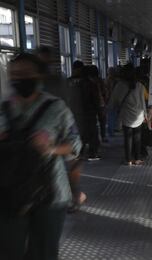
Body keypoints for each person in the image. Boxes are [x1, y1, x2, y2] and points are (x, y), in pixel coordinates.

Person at [0, 53, 81, 260]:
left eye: (26, 73)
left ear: (38, 76)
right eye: (14, 74)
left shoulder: (56, 108)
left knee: (44, 252)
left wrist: (50, 148)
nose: (19, 78)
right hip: (9, 191)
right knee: (10, 250)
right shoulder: (3, 109)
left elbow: (75, 146)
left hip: (50, 193)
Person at [36, 47, 86, 212]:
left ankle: (75, 196)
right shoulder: (35, 82)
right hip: (46, 133)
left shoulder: (58, 81)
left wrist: (76, 128)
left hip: (65, 128)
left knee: (72, 162)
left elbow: (71, 104)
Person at [111, 64, 147, 166]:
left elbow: (114, 100)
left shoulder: (120, 85)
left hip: (126, 114)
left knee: (128, 137)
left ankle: (128, 160)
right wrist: (145, 114)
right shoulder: (140, 85)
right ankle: (137, 158)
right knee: (137, 137)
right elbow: (142, 101)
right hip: (138, 115)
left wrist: (112, 108)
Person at [67, 61, 101, 161]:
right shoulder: (90, 83)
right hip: (89, 113)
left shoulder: (68, 82)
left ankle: (78, 153)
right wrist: (98, 111)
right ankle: (92, 153)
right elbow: (95, 99)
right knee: (92, 133)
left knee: (78, 133)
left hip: (74, 113)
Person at [87, 65, 109, 143]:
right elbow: (105, 92)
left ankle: (95, 139)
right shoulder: (100, 80)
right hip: (101, 104)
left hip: (91, 105)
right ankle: (103, 137)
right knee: (102, 121)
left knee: (93, 123)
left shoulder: (87, 82)